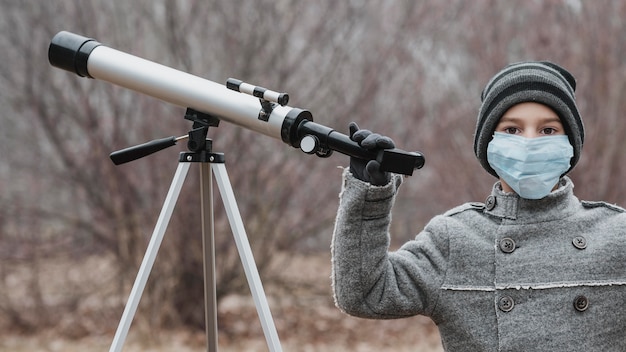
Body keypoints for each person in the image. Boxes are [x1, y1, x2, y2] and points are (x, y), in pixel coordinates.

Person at [331, 61, 626, 351]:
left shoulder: (616, 234)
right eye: (512, 130)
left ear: (570, 144)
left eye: (548, 130)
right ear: (489, 144)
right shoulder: (455, 238)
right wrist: (370, 194)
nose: (529, 143)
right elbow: (365, 293)